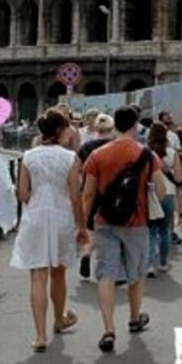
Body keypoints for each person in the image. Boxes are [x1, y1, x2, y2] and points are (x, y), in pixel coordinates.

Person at [81, 106, 166, 353]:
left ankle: (108, 330)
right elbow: (160, 191)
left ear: (115, 125)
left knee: (106, 274)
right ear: (135, 125)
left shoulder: (98, 154)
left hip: (105, 221)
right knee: (136, 273)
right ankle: (134, 318)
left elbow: (87, 194)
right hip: (136, 222)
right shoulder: (147, 154)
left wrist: (83, 226)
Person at [12, 110, 89, 352]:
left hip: (35, 216)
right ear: (59, 131)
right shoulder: (70, 158)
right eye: (67, 128)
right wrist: (82, 226)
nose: (70, 132)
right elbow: (76, 196)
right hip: (61, 217)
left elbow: (23, 194)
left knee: (37, 276)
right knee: (58, 274)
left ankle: (40, 336)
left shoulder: (28, 157)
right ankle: (60, 319)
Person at [74, 114, 117, 280]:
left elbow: (77, 169)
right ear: (112, 129)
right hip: (112, 192)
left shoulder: (86, 147)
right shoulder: (114, 147)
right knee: (111, 229)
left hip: (90, 189)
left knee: (91, 227)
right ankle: (108, 267)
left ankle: (86, 252)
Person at [147, 123, 182, 273]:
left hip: (150, 193)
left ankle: (149, 265)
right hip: (168, 193)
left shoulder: (146, 152)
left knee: (150, 231)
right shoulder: (172, 153)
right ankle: (163, 262)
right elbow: (179, 178)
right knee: (165, 230)